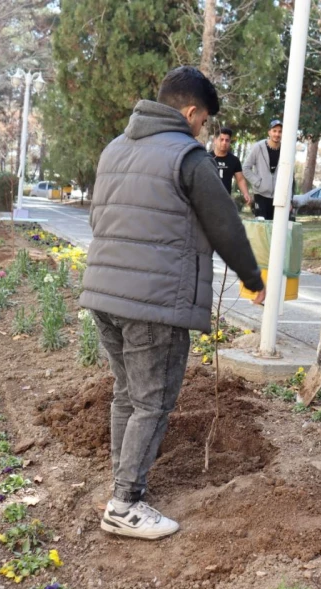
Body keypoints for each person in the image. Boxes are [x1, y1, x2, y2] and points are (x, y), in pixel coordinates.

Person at [79, 66, 266, 540]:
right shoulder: (188, 157)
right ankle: (125, 504)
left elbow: (99, 218)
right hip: (153, 303)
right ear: (189, 112)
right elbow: (224, 223)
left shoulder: (114, 149)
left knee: (128, 395)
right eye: (203, 120)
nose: (204, 129)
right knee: (153, 402)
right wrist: (251, 278)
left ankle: (121, 488)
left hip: (105, 294)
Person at [243, 119, 284, 220]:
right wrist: (258, 182)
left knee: (275, 229)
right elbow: (245, 168)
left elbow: (290, 175)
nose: (277, 134)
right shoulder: (258, 147)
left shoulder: (285, 149)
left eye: (280, 131)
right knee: (261, 226)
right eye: (274, 131)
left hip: (278, 196)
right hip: (260, 194)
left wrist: (290, 199)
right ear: (269, 132)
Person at [210, 127, 252, 208]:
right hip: (208, 199)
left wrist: (246, 193)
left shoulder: (234, 160)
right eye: (221, 139)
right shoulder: (207, 157)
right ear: (215, 140)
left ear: (230, 142)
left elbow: (240, 179)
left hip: (225, 200)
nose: (224, 143)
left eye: (227, 140)